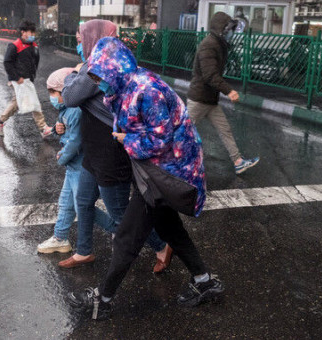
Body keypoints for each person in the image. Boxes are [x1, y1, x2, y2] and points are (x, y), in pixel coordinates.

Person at [67, 37, 224, 320]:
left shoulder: (146, 89)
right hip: (156, 170)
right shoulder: (124, 85)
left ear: (115, 69)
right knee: (170, 229)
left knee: (127, 237)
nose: (98, 83)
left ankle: (102, 300)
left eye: (100, 76)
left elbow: (161, 139)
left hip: (168, 170)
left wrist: (126, 139)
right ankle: (204, 281)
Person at [60, 20, 172, 272]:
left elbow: (70, 97)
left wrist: (72, 74)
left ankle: (161, 245)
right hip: (94, 149)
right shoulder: (105, 62)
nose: (79, 43)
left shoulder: (99, 64)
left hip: (111, 152)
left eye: (81, 39)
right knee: (84, 201)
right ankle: (83, 251)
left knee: (120, 214)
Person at [37, 68, 117, 253]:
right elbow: (67, 132)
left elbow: (75, 141)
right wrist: (58, 130)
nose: (52, 97)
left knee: (83, 208)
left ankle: (119, 229)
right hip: (73, 167)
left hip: (80, 167)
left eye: (53, 93)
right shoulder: (67, 108)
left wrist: (62, 157)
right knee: (66, 204)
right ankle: (60, 236)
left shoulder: (75, 110)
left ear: (65, 90)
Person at [187, 12, 259, 175]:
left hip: (210, 100)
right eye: (229, 29)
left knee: (225, 129)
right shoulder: (209, 45)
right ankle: (166, 159)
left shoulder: (219, 44)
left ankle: (238, 161)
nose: (231, 33)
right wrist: (229, 91)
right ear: (221, 29)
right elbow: (210, 75)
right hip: (199, 99)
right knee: (182, 131)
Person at [0, 21, 52, 138]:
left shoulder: (34, 46)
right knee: (34, 102)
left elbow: (35, 62)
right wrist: (16, 77)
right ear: (23, 32)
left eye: (34, 32)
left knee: (16, 104)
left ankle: (0, 122)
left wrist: (31, 75)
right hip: (19, 80)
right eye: (30, 32)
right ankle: (43, 128)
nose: (33, 34)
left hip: (27, 79)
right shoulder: (15, 46)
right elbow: (7, 63)